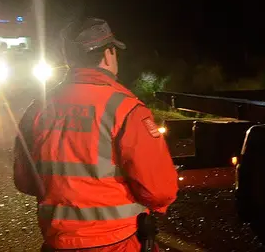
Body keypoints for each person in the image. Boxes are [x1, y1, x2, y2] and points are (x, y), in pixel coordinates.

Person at [13, 17, 179, 251]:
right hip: (116, 242)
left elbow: (24, 180)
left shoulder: (38, 108)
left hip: (56, 242)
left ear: (70, 60)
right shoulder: (126, 109)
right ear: (109, 54)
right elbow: (159, 190)